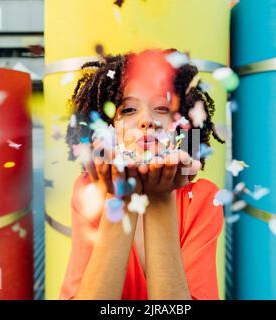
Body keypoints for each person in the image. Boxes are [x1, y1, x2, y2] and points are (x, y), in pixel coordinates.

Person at [60, 49, 225, 300]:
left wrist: (161, 199)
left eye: (161, 107)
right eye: (127, 110)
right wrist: (121, 200)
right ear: (109, 130)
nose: (147, 120)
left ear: (182, 127)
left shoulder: (203, 199)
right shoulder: (89, 191)